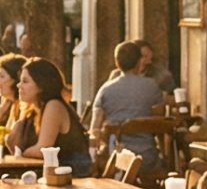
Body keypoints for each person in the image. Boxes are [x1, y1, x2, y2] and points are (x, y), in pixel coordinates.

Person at [88, 40, 167, 172]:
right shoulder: (151, 86)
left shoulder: (105, 90)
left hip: (115, 161)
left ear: (116, 63)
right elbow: (160, 117)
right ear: (139, 62)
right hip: (147, 158)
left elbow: (94, 130)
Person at [14, 57, 93, 176]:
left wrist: (20, 154)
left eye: (25, 81)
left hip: (72, 175)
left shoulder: (54, 106)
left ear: (41, 85)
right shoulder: (35, 109)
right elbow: (13, 141)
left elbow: (42, 150)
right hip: (55, 173)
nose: (19, 85)